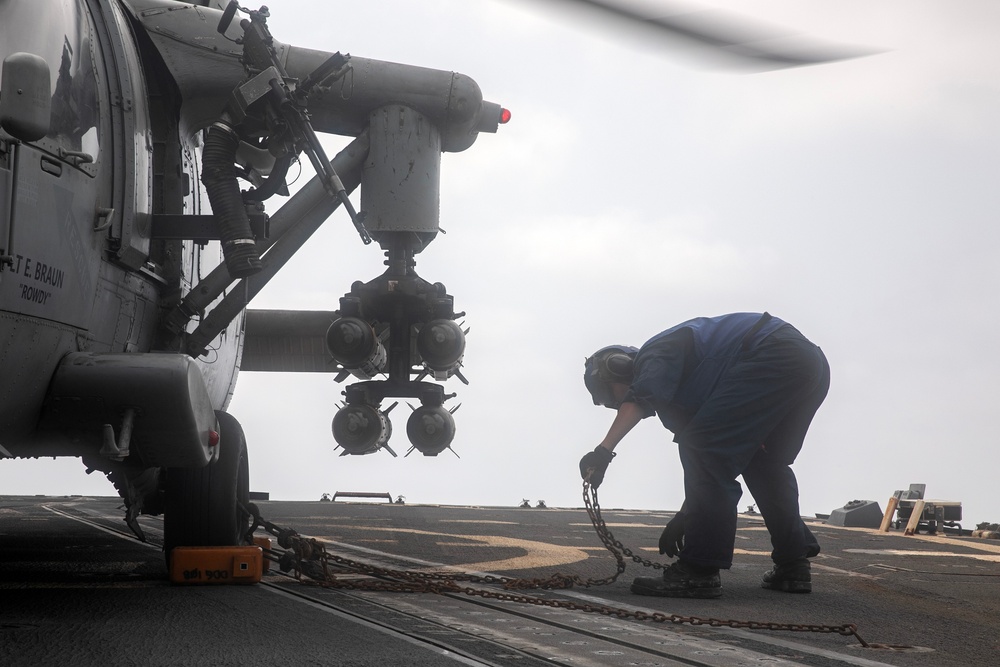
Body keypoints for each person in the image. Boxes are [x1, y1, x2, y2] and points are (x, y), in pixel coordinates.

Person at [579, 312, 829, 599]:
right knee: (762, 460)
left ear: (618, 368)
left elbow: (646, 402)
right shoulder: (683, 398)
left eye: (611, 396)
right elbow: (711, 464)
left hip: (773, 352)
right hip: (809, 364)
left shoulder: (655, 352)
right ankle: (793, 563)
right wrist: (687, 514)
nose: (617, 404)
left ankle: (699, 571)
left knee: (704, 446)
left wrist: (602, 452)